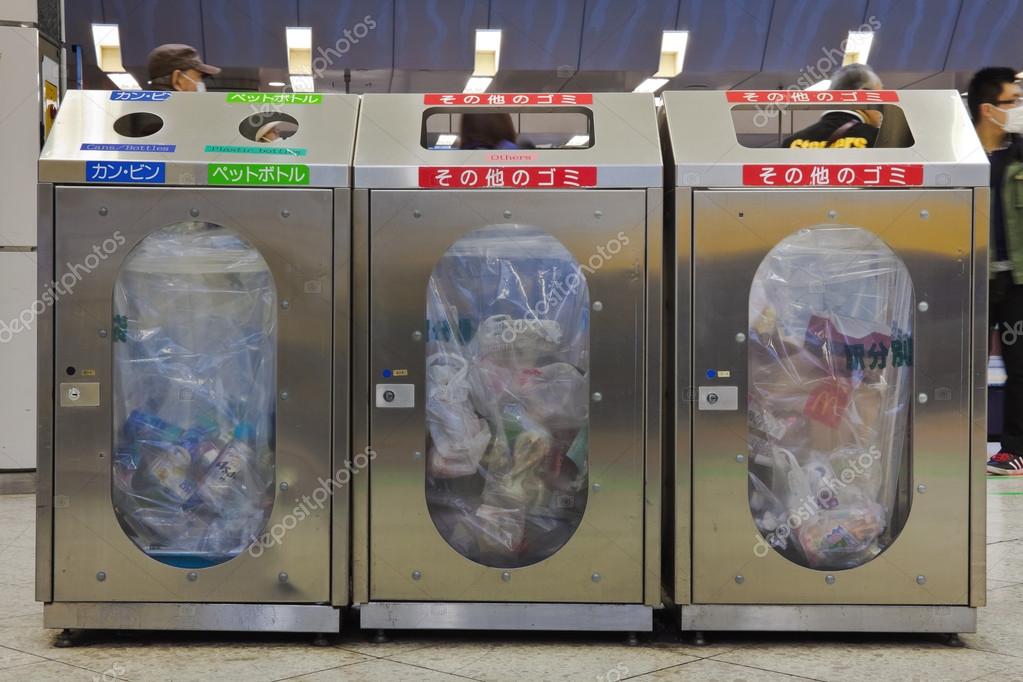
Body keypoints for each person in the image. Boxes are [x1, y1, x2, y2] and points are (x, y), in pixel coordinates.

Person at [970, 68, 1023, 474]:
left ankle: (1012, 449)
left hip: (1016, 280)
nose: (1019, 107)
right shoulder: (959, 154)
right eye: (1012, 101)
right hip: (970, 277)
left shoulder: (1020, 154)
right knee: (960, 363)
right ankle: (954, 444)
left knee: (1019, 365)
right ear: (989, 109)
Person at [782, 64, 884, 149]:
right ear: (863, 97)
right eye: (880, 97)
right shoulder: (879, 141)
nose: (883, 106)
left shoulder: (791, 143)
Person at [146, 44, 220, 92]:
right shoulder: (186, 114)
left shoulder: (145, 110)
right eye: (199, 77)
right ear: (177, 80)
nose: (201, 84)